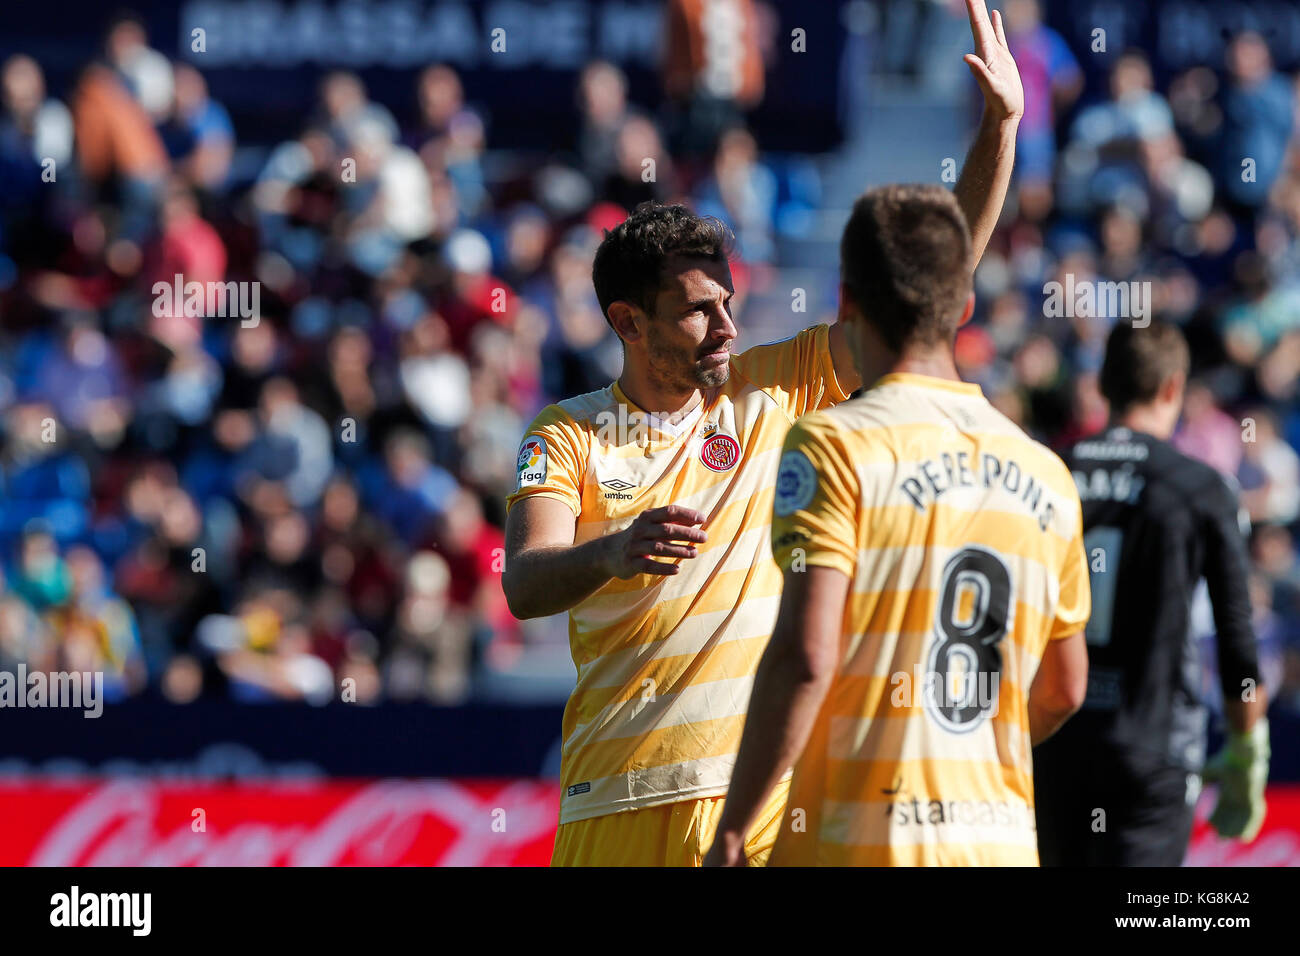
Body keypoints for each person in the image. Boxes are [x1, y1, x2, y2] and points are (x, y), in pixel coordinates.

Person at [505, 0, 1025, 867]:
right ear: (629, 324)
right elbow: (525, 581)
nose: (726, 328)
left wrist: (999, 129)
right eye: (698, 312)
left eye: (729, 304)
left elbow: (934, 282)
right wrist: (612, 551)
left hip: (754, 802)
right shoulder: (565, 434)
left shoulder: (780, 385)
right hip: (611, 799)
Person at [703, 182, 1090, 866]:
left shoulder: (833, 445)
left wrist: (734, 828)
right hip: (996, 843)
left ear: (847, 303)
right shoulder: (1046, 476)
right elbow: (1064, 690)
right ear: (966, 308)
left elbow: (805, 657)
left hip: (858, 841)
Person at [1033, 321, 1269, 866]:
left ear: (1104, 384)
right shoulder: (1201, 487)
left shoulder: (1049, 470)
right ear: (1172, 387)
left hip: (1053, 739)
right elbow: (1238, 642)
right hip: (1152, 746)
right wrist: (1246, 749)